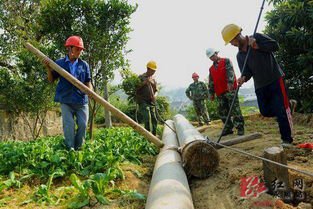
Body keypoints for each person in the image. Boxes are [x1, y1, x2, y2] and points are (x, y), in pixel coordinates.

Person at [221, 24, 293, 146]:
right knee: (265, 111)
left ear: (237, 35)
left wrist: (257, 46)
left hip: (274, 78)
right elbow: (247, 72)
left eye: (231, 41)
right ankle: (288, 106)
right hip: (260, 85)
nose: (232, 44)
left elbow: (275, 46)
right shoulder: (240, 55)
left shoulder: (257, 37)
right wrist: (243, 78)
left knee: (280, 110)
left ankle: (287, 139)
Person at [43, 35, 92, 150]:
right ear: (69, 48)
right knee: (69, 126)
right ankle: (70, 150)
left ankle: (79, 148)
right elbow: (51, 80)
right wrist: (48, 68)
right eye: (77, 49)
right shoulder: (59, 63)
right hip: (66, 100)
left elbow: (88, 82)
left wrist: (90, 92)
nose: (80, 51)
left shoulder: (84, 65)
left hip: (81, 100)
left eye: (81, 49)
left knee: (83, 125)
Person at [206, 48, 244, 136]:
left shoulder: (226, 61)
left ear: (216, 53)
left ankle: (240, 127)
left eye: (213, 55)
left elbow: (230, 72)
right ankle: (228, 128)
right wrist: (211, 93)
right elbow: (211, 81)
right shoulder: (211, 69)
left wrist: (230, 83)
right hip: (219, 92)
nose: (212, 58)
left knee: (235, 109)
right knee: (223, 111)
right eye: (210, 57)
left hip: (229, 90)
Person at [135, 61, 158, 135]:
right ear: (148, 69)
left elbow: (156, 90)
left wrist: (155, 96)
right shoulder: (141, 77)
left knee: (154, 119)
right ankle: (148, 136)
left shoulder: (153, 79)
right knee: (147, 117)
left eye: (154, 71)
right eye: (152, 70)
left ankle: (154, 136)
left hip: (151, 101)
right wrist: (144, 83)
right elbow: (136, 88)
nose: (153, 72)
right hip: (142, 101)